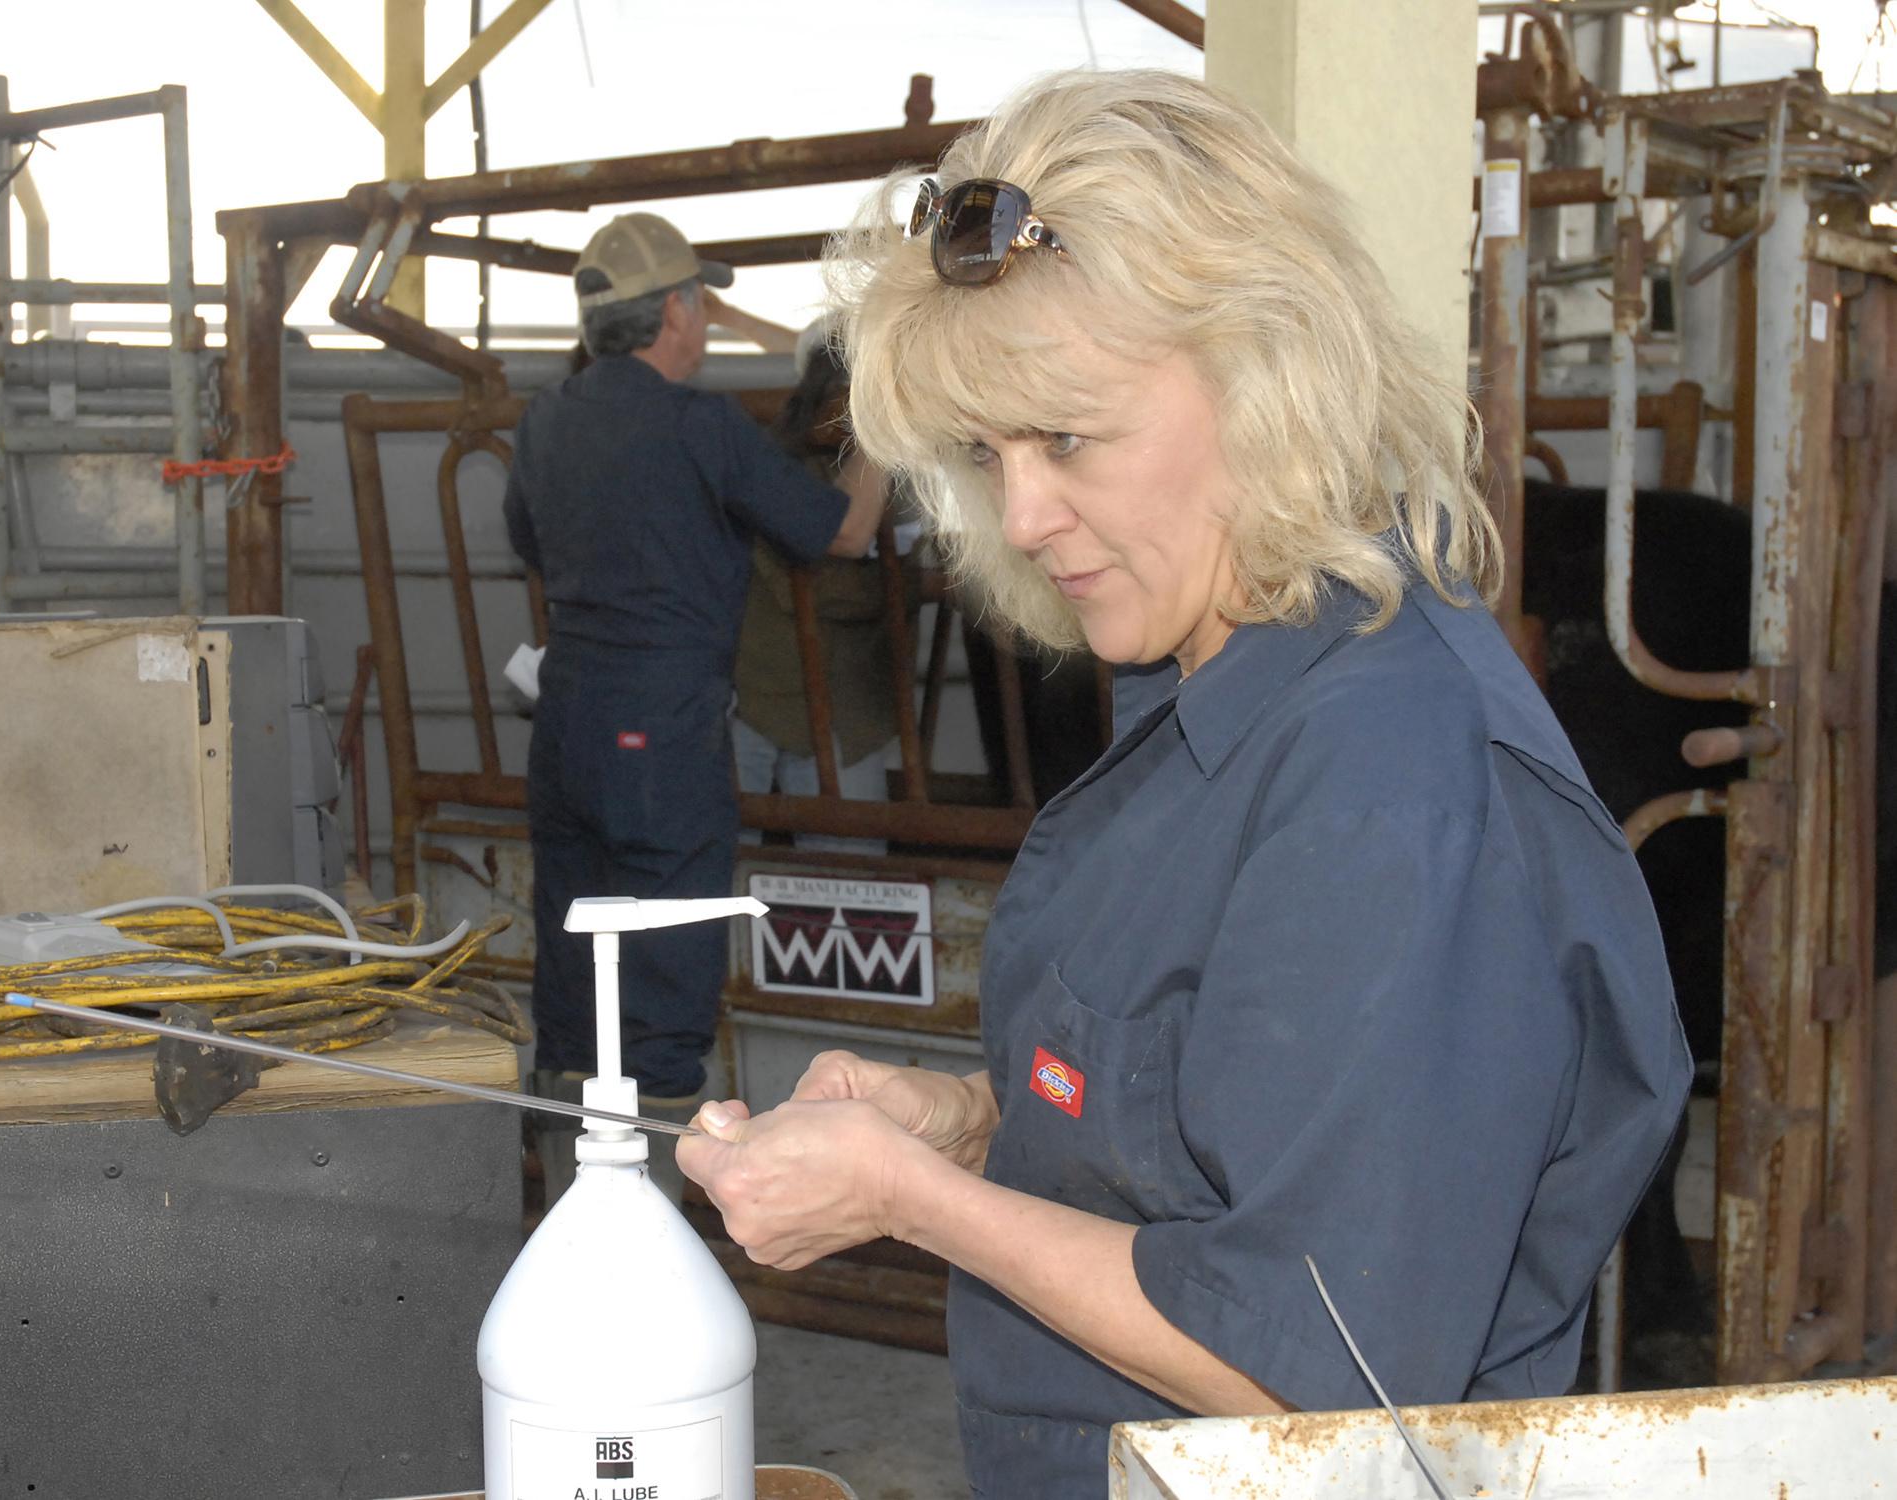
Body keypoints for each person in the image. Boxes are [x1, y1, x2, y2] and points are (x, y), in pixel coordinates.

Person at [676, 69, 1691, 1494]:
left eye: (1069, 439)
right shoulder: (1212, 687)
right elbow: (1216, 1122)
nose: (1023, 516)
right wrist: (968, 1124)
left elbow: (1311, 1365)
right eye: (989, 454)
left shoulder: (1387, 776)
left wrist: (915, 1201)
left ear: (1264, 378)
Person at [504, 212, 883, 1198]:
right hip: (660, 737)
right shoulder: (698, 424)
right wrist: (890, 419)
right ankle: (651, 1227)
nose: (705, 321)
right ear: (674, 311)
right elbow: (841, 532)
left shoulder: (544, 419)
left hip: (568, 723)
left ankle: (567, 1209)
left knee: (572, 966)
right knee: (667, 980)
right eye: (700, 302)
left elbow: (532, 544)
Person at [732, 317, 920, 855]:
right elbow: (848, 538)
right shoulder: (784, 463)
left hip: (838, 709)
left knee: (846, 877)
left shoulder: (896, 468)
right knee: (725, 869)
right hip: (767, 698)